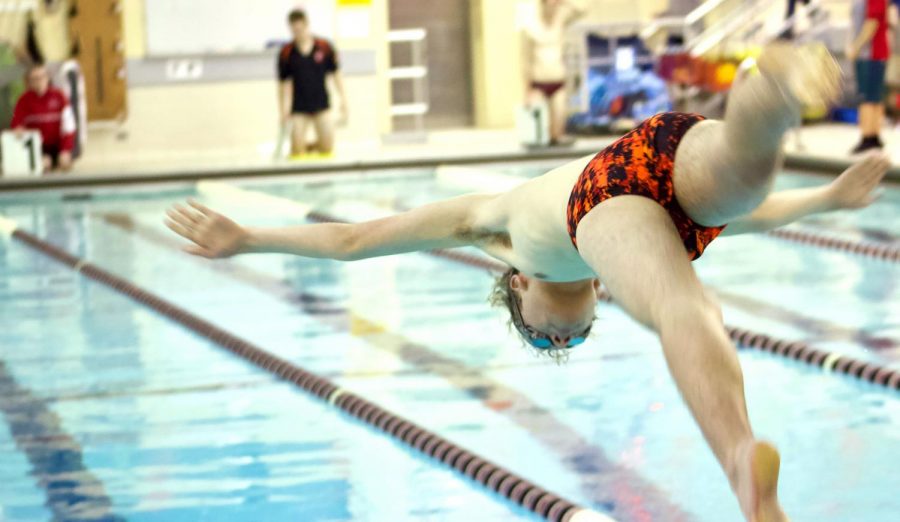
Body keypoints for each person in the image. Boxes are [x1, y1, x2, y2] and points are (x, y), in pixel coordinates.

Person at [166, 45, 889, 521]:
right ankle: (785, 88)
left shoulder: (497, 227)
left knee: (678, 305)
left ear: (516, 284)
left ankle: (737, 458)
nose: (562, 331)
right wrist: (825, 201)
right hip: (665, 174)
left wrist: (249, 238)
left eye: (541, 334)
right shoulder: (614, 256)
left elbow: (357, 241)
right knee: (742, 165)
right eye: (572, 336)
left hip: (606, 189)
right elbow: (756, 221)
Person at [277, 8, 347, 157]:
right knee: (296, 149)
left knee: (327, 146)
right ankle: (303, 147)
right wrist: (282, 111)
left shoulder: (324, 46)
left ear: (306, 25)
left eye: (300, 28)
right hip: (299, 107)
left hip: (321, 104)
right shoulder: (286, 52)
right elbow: (282, 84)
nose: (298, 32)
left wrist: (343, 100)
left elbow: (336, 74)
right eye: (294, 30)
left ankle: (313, 147)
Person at [521, 0, 585, 146]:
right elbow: (526, 61)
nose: (552, 8)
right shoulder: (531, 26)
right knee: (538, 133)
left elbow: (582, 10)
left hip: (558, 82)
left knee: (557, 131)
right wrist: (526, 91)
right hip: (538, 83)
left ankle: (556, 141)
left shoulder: (560, 20)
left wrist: (565, 2)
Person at [10, 64, 76, 173]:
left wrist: (65, 150)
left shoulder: (59, 96)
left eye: (42, 77)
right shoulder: (23, 100)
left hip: (58, 145)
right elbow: (16, 123)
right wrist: (18, 129)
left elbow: (69, 127)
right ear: (29, 82)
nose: (39, 81)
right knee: (43, 165)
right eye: (35, 79)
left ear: (47, 78)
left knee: (65, 163)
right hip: (37, 146)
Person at [848, 0, 890, 153]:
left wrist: (856, 46)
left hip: (871, 54)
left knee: (867, 97)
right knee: (874, 97)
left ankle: (867, 137)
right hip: (873, 54)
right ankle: (873, 135)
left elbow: (872, 23)